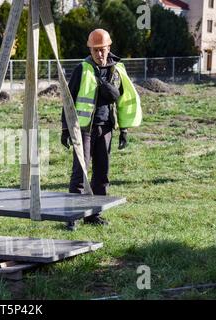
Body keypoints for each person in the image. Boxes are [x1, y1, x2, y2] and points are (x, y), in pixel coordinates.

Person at [61, 29, 142, 231]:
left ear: (109, 48)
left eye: (103, 49)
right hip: (84, 129)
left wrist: (124, 130)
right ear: (90, 49)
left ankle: (94, 214)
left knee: (102, 174)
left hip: (106, 128)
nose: (99, 54)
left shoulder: (117, 70)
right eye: (95, 50)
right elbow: (68, 100)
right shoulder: (83, 68)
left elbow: (123, 102)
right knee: (80, 173)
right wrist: (65, 128)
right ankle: (72, 216)